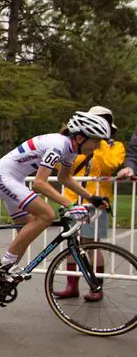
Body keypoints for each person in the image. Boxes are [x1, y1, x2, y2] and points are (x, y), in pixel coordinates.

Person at [0, 110, 113, 282]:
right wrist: (70, 204)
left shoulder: (70, 149)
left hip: (14, 179)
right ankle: (5, 265)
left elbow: (64, 177)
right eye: (96, 141)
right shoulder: (57, 145)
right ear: (80, 138)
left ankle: (2, 279)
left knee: (29, 224)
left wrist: (91, 198)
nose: (98, 146)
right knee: (47, 215)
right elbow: (40, 183)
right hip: (3, 178)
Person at [53, 106, 126, 301]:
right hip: (71, 199)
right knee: (72, 244)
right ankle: (71, 285)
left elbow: (110, 166)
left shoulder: (114, 147)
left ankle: (96, 286)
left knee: (91, 245)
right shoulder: (74, 145)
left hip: (94, 201)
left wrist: (100, 144)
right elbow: (61, 165)